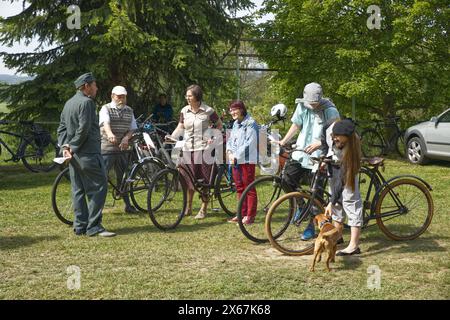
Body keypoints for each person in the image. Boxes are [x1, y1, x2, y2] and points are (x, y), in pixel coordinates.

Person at [278, 82, 339, 240]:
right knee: (286, 179)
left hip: (320, 156)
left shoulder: (330, 110)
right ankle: (301, 205)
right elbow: (296, 125)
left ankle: (311, 227)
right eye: (309, 103)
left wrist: (319, 143)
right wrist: (284, 141)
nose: (311, 106)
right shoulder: (302, 106)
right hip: (301, 152)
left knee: (316, 194)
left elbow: (337, 134)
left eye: (314, 103)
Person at [57, 72, 115, 237]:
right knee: (99, 187)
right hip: (88, 154)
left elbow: (61, 128)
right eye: (94, 85)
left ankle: (80, 226)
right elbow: (84, 129)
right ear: (86, 86)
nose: (96, 88)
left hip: (73, 156)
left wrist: (65, 147)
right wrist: (72, 147)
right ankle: (94, 226)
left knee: (78, 190)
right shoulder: (88, 103)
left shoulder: (69, 103)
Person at [168, 84, 222, 219]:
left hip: (203, 149)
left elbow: (219, 125)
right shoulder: (184, 111)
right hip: (187, 148)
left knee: (204, 180)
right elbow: (180, 127)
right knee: (187, 179)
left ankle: (203, 209)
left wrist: (213, 137)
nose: (187, 97)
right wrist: (172, 137)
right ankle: (189, 207)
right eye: (186, 95)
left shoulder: (208, 111)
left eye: (190, 95)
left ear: (197, 96)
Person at [321, 118, 363, 255]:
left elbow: (342, 181)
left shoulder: (351, 150)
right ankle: (337, 236)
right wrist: (324, 155)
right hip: (334, 165)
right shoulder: (330, 129)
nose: (335, 139)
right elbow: (323, 139)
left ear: (347, 138)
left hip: (347, 171)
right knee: (336, 203)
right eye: (334, 137)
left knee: (351, 202)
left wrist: (331, 202)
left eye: (338, 138)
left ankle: (354, 246)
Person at [99, 85, 138, 214]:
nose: (121, 99)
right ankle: (97, 208)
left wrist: (126, 138)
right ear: (112, 96)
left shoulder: (129, 110)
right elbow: (105, 124)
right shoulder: (105, 109)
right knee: (102, 177)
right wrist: (110, 134)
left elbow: (132, 128)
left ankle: (128, 205)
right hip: (107, 147)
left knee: (124, 177)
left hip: (123, 147)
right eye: (118, 96)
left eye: (123, 97)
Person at [225, 100, 259, 225]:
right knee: (239, 188)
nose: (232, 112)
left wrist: (236, 156)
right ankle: (241, 214)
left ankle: (250, 215)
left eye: (235, 109)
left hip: (247, 160)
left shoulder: (251, 123)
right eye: (231, 110)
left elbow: (250, 143)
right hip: (235, 160)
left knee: (249, 188)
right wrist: (229, 152)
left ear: (242, 109)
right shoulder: (235, 124)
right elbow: (230, 141)